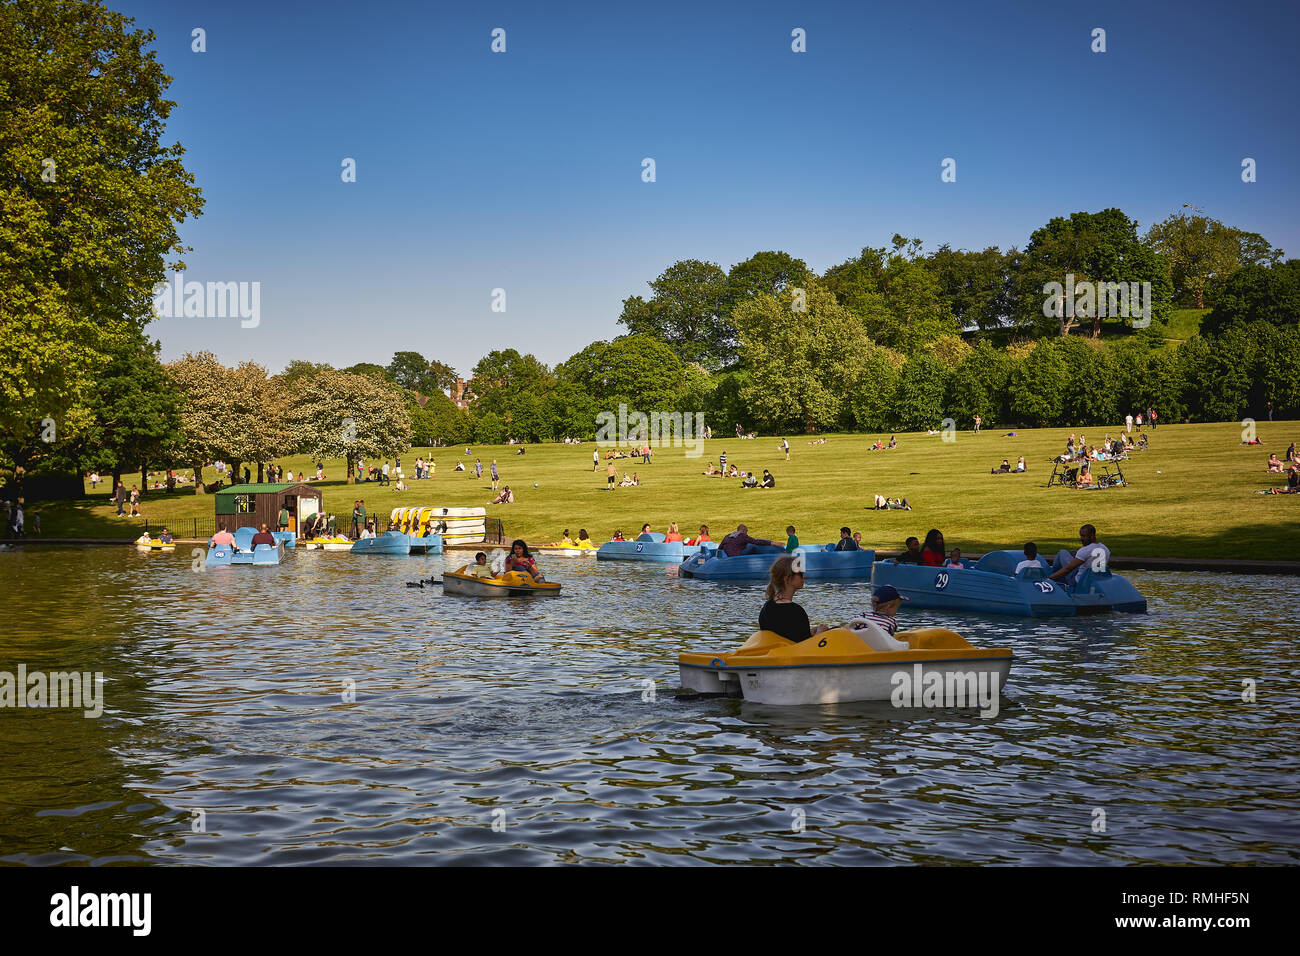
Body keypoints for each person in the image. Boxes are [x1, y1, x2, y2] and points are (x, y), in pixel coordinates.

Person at [759, 553, 828, 642]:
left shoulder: (767, 607)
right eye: (800, 573)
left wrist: (809, 633)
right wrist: (819, 633)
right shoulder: (796, 611)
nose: (804, 576)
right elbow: (805, 648)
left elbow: (787, 636)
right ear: (787, 578)